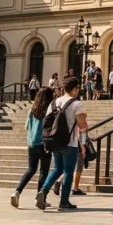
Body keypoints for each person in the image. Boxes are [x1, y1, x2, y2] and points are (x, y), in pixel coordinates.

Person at [36, 76, 88, 212]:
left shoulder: (53, 103)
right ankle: (64, 202)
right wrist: (83, 142)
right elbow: (82, 126)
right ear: (75, 89)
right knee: (68, 171)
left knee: (57, 169)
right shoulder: (77, 104)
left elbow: (46, 123)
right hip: (69, 143)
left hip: (54, 141)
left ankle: (43, 191)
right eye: (78, 89)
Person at [11, 87, 54, 208]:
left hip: (31, 144)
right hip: (44, 144)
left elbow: (26, 127)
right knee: (43, 172)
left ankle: (17, 192)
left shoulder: (32, 109)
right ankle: (40, 198)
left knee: (31, 169)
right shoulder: (49, 110)